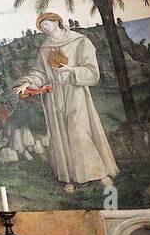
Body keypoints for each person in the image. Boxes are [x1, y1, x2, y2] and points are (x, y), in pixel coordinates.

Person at [12, 13, 117, 192]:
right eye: (41, 26)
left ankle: (99, 173)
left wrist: (71, 70)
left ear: (57, 22)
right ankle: (70, 177)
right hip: (53, 95)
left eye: (46, 23)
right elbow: (40, 72)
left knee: (78, 131)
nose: (43, 27)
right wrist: (27, 83)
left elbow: (92, 72)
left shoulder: (79, 41)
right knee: (61, 136)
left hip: (75, 91)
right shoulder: (45, 48)